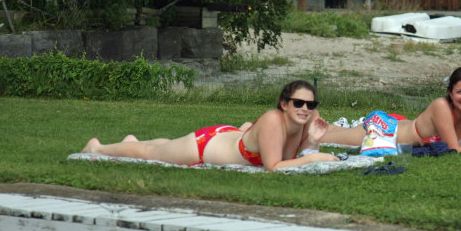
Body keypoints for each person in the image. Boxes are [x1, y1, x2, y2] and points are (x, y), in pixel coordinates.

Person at [82, 80, 340, 171]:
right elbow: (274, 167)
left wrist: (314, 142)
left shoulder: (307, 119)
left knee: (165, 146)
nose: (305, 109)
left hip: (230, 137)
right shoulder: (273, 119)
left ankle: (131, 143)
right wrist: (314, 158)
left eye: (310, 104)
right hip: (206, 147)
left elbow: (294, 156)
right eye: (298, 103)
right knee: (154, 154)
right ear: (284, 104)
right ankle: (98, 148)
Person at [321, 67, 461, 153]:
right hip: (385, 133)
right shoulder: (442, 106)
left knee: (334, 131)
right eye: (460, 92)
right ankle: (304, 124)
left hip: (400, 124)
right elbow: (454, 150)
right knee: (320, 138)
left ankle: (324, 125)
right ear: (451, 94)